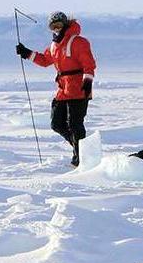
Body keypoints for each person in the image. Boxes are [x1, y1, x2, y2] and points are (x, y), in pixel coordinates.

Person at [15, 11, 96, 167]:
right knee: (57, 124)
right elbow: (45, 60)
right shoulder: (54, 45)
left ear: (65, 24)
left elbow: (89, 64)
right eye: (53, 27)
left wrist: (87, 82)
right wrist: (27, 53)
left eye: (58, 25)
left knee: (75, 124)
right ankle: (82, 149)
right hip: (63, 89)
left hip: (79, 88)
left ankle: (80, 157)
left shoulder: (79, 42)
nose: (56, 29)